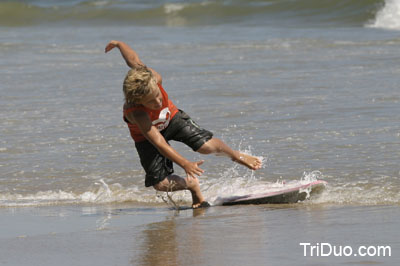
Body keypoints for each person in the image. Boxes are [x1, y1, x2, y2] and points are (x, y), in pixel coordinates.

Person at [105, 40, 262, 208]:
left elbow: (133, 60)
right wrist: (185, 164)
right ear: (138, 100)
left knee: (206, 147)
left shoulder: (152, 78)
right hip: (146, 137)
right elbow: (159, 143)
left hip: (171, 118)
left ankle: (235, 155)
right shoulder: (136, 112)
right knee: (161, 185)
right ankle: (192, 187)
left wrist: (119, 44)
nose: (158, 102)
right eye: (150, 102)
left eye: (158, 95)